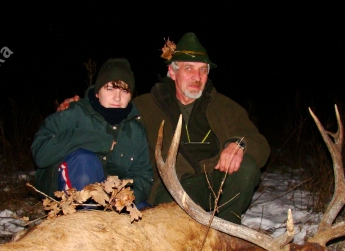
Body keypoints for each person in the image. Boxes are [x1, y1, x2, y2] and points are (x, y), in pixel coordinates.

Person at [132, 33, 270, 224]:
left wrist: (238, 145)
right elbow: (109, 114)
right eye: (189, 68)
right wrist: (79, 107)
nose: (197, 77)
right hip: (173, 188)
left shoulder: (224, 106)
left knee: (246, 167)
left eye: (203, 70)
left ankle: (228, 234)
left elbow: (260, 144)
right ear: (172, 72)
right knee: (180, 227)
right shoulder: (146, 105)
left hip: (215, 182)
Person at [32, 58, 153, 209]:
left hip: (109, 197)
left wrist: (126, 196)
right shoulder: (74, 113)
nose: (117, 97)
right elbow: (40, 154)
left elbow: (143, 175)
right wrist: (95, 140)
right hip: (66, 191)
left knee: (148, 214)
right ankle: (85, 223)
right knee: (84, 160)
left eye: (124, 91)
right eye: (109, 89)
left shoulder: (135, 129)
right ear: (97, 93)